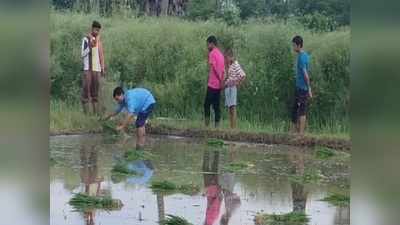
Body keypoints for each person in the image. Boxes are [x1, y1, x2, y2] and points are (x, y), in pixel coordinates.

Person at [81, 20, 105, 115]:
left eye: (98, 30)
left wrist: (102, 68)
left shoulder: (99, 41)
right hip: (88, 69)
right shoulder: (86, 39)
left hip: (97, 70)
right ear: (92, 29)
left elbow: (101, 55)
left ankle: (95, 115)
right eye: (95, 30)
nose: (96, 32)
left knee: (96, 93)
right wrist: (90, 46)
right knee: (86, 90)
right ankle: (86, 114)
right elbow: (82, 54)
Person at [291, 35, 312, 135]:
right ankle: (294, 131)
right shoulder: (305, 55)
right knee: (295, 108)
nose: (293, 47)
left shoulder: (302, 58)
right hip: (298, 87)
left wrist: (309, 89)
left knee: (302, 109)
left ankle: (301, 133)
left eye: (294, 45)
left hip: (302, 88)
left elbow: (306, 75)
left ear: (299, 45)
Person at [204, 35, 225, 128]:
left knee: (206, 104)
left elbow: (215, 68)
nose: (207, 46)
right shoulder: (221, 54)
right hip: (219, 85)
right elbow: (223, 70)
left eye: (208, 44)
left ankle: (207, 126)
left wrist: (219, 79)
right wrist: (222, 81)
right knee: (216, 106)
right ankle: (217, 127)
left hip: (212, 84)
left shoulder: (212, 53)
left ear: (211, 43)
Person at [224, 48, 246, 129]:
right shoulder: (229, 65)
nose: (226, 59)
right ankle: (231, 127)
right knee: (230, 108)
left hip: (232, 88)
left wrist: (237, 83)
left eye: (227, 57)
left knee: (233, 107)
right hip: (227, 88)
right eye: (225, 57)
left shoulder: (236, 64)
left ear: (231, 56)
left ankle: (234, 127)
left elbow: (243, 75)